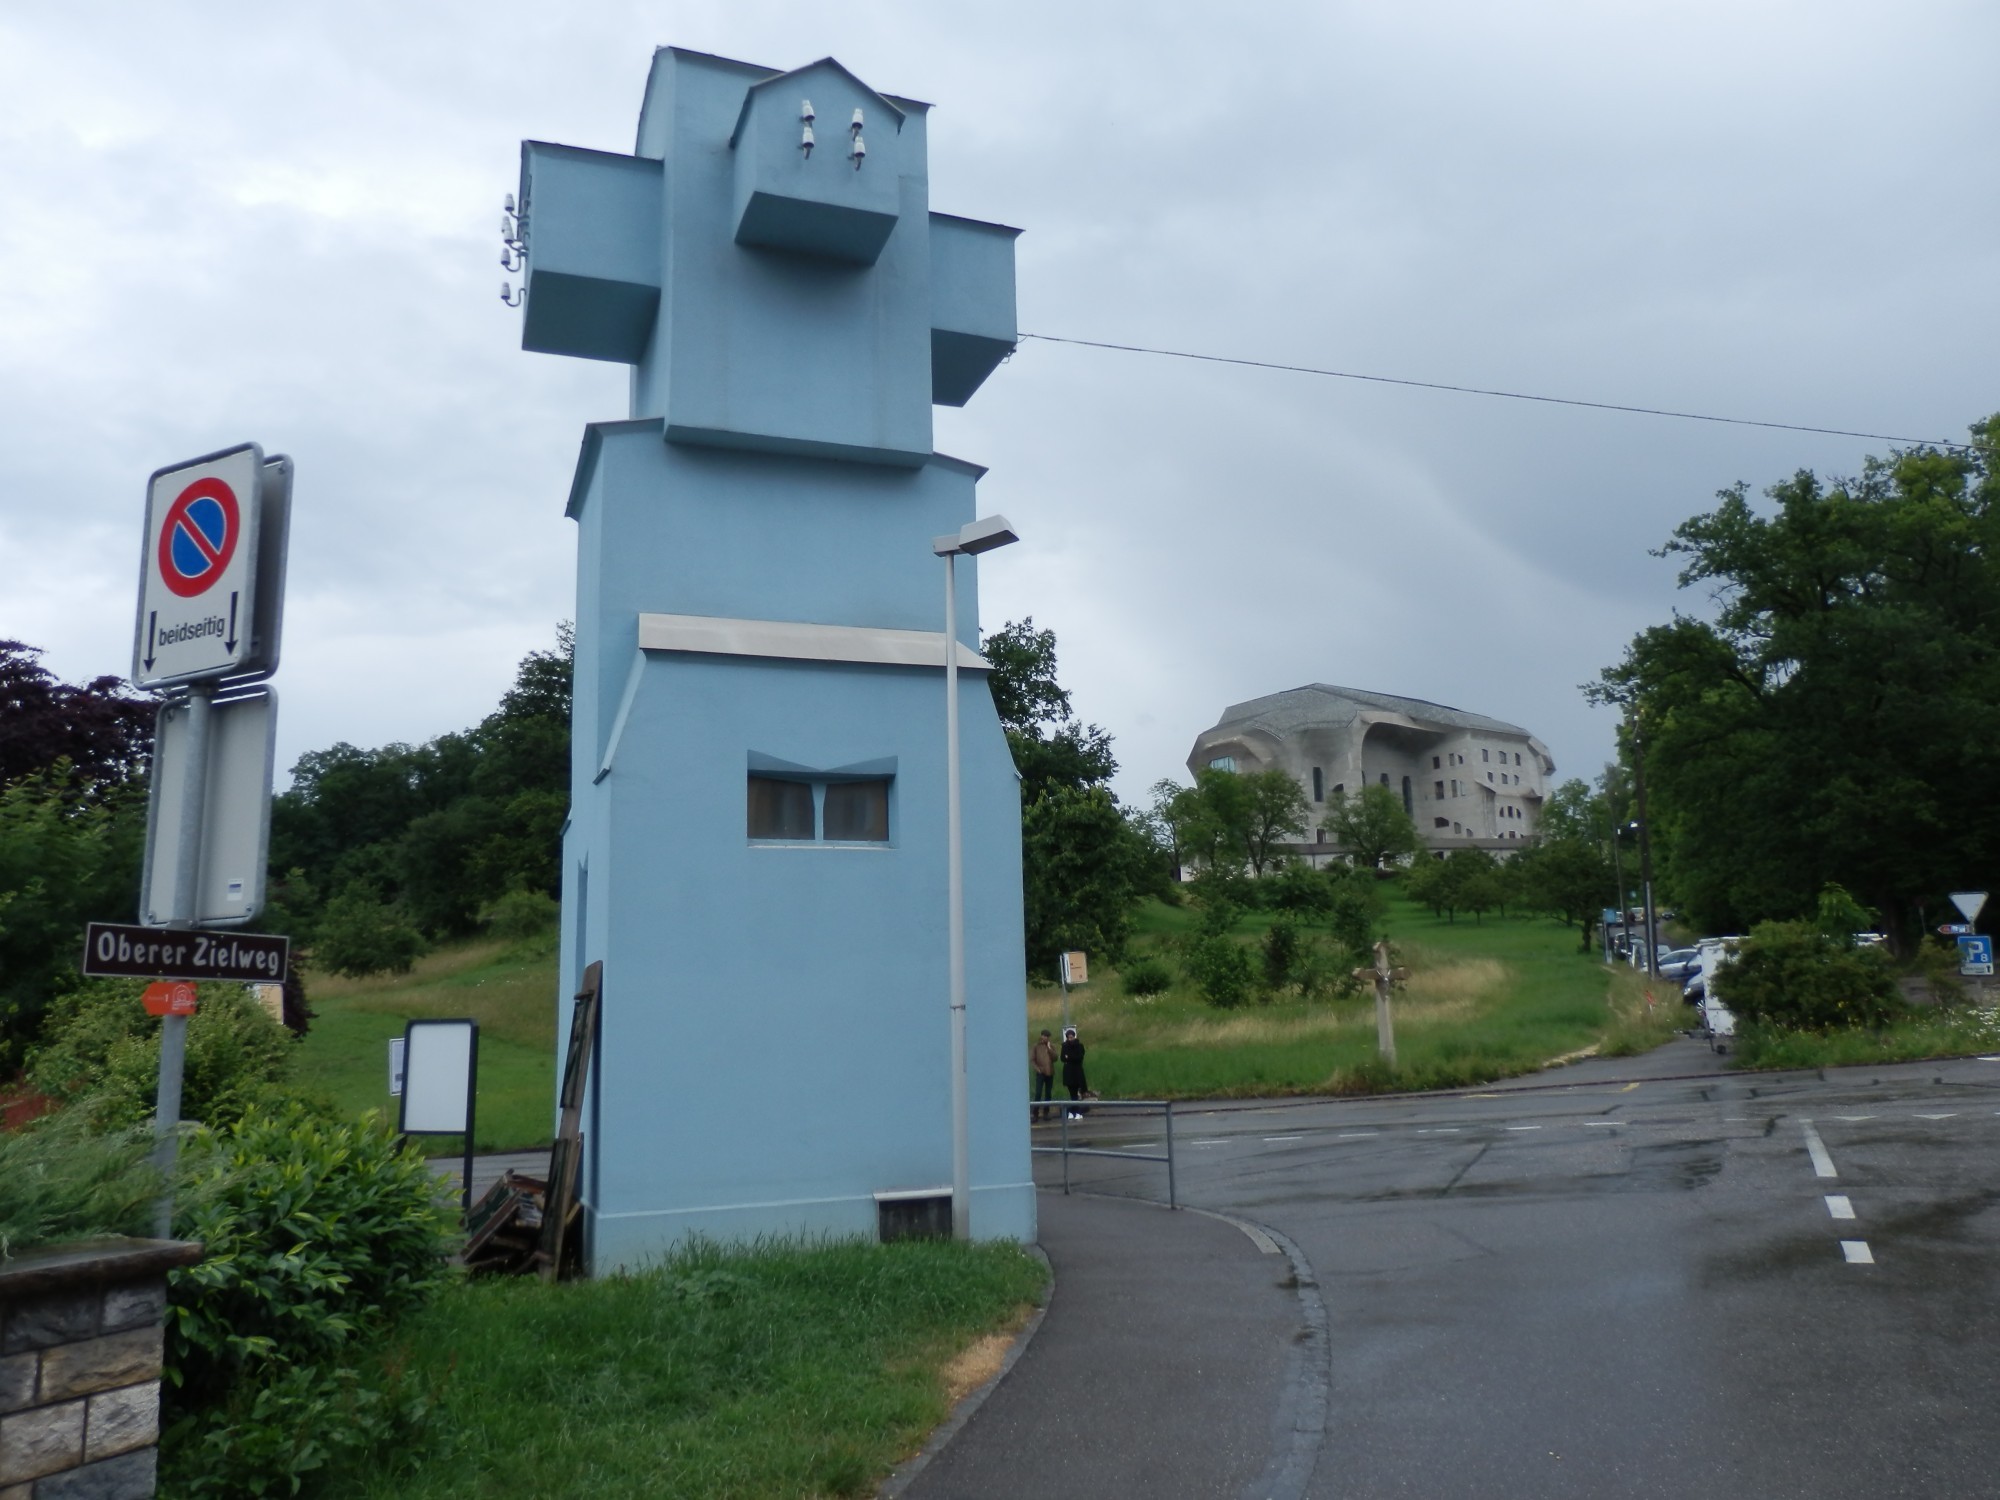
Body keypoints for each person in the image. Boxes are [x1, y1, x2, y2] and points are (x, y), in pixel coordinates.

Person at [1060, 1026, 1088, 1118]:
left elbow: (1079, 1057)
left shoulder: (1079, 1046)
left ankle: (1075, 1111)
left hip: (1077, 1072)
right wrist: (1069, 1057)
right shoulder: (1064, 1046)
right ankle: (1074, 1111)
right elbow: (1063, 1058)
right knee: (1072, 1093)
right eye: (1069, 1037)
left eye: (1072, 1036)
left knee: (1076, 1093)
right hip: (1069, 1073)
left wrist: (1069, 1057)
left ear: (1074, 1036)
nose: (1070, 1038)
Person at [1029, 1029, 1057, 1122]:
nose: (1045, 1038)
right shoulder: (1036, 1046)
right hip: (1040, 1073)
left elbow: (1055, 1058)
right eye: (1044, 1036)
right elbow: (1032, 1060)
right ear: (1041, 1036)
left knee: (1048, 1094)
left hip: (1050, 1072)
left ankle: (1046, 1112)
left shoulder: (1051, 1046)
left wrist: (1049, 1049)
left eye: (1047, 1036)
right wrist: (1038, 1069)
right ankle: (1035, 1113)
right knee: (1038, 1093)